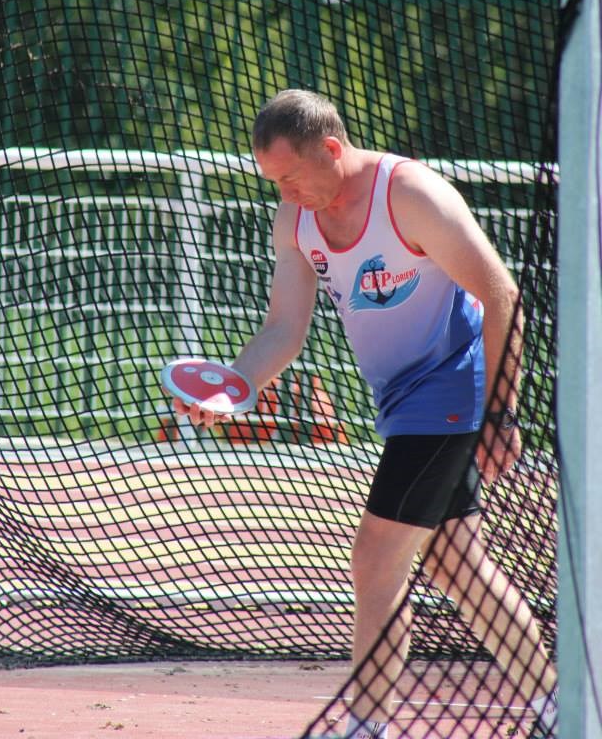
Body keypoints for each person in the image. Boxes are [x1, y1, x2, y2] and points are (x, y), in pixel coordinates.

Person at [171, 89, 558, 739]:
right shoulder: (295, 220)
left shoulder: (410, 195)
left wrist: (501, 412)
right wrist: (234, 387)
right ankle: (560, 705)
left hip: (453, 389)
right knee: (457, 566)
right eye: (274, 181)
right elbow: (284, 329)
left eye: (292, 176)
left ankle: (366, 726)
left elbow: (501, 293)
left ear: (331, 148)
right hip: (403, 404)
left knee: (376, 559)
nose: (286, 193)